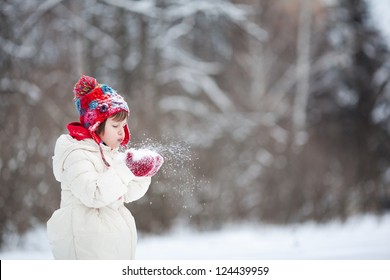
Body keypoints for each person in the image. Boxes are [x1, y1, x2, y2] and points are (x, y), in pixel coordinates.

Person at [47, 75, 163, 259]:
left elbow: (125, 194)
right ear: (95, 125)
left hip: (111, 244)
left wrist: (142, 174)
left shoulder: (111, 154)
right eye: (115, 125)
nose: (121, 131)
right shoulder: (76, 154)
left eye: (124, 125)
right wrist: (126, 170)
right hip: (86, 244)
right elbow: (93, 195)